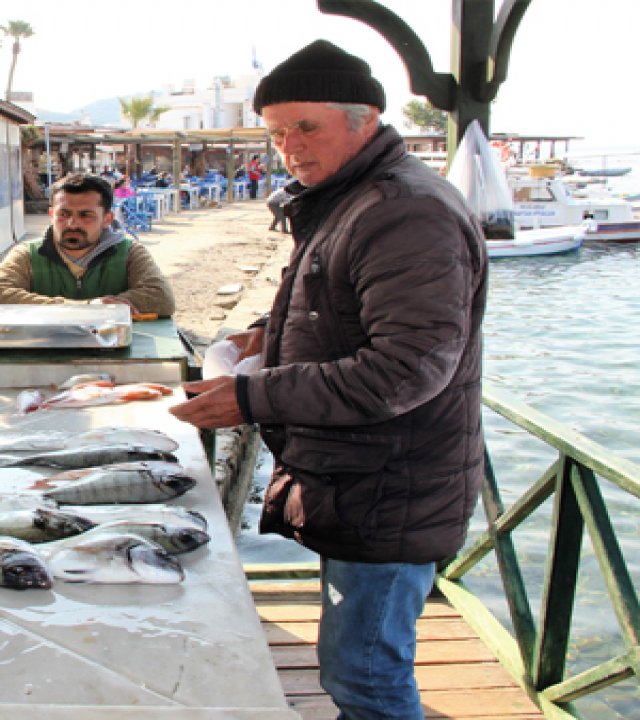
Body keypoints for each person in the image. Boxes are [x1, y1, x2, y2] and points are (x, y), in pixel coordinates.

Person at [169, 40, 487, 719]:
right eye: (277, 132)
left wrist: (252, 396)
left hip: (391, 487)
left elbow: (406, 370)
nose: (289, 147)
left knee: (365, 677)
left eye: (306, 126)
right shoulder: (349, 197)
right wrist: (269, 332)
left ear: (365, 120)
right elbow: (341, 304)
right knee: (359, 666)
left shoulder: (406, 211)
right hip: (360, 479)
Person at [0, 172, 176, 315]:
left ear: (107, 219)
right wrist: (86, 308)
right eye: (63, 214)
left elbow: (162, 298)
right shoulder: (28, 254)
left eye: (85, 215)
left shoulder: (128, 252)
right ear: (51, 215)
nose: (72, 224)